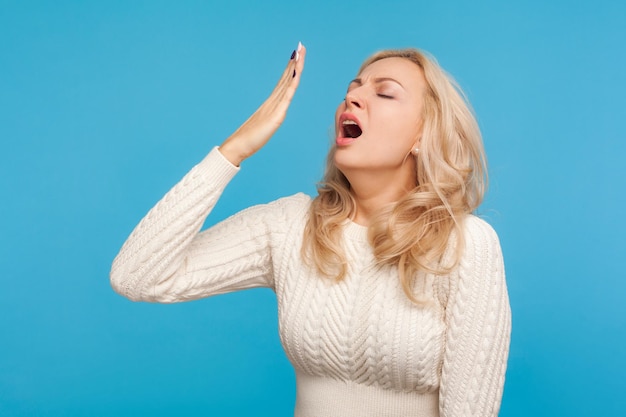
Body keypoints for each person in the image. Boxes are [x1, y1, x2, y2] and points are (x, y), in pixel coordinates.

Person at [110, 42, 512, 417]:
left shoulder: (464, 244)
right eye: (352, 89)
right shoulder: (290, 226)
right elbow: (137, 277)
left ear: (424, 135)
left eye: (384, 93)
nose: (352, 97)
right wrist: (233, 150)